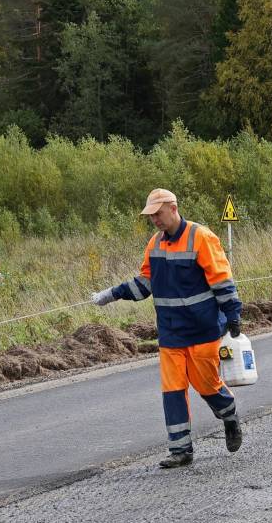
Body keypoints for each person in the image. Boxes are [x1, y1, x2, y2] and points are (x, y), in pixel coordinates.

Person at [92, 188, 244, 469]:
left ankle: (229, 415)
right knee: (172, 389)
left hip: (203, 329)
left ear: (173, 208)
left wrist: (233, 315)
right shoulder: (155, 244)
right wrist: (112, 294)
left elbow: (221, 279)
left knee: (206, 385)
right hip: (171, 333)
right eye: (151, 216)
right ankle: (180, 450)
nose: (155, 220)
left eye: (158, 214)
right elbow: (145, 284)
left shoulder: (201, 237)